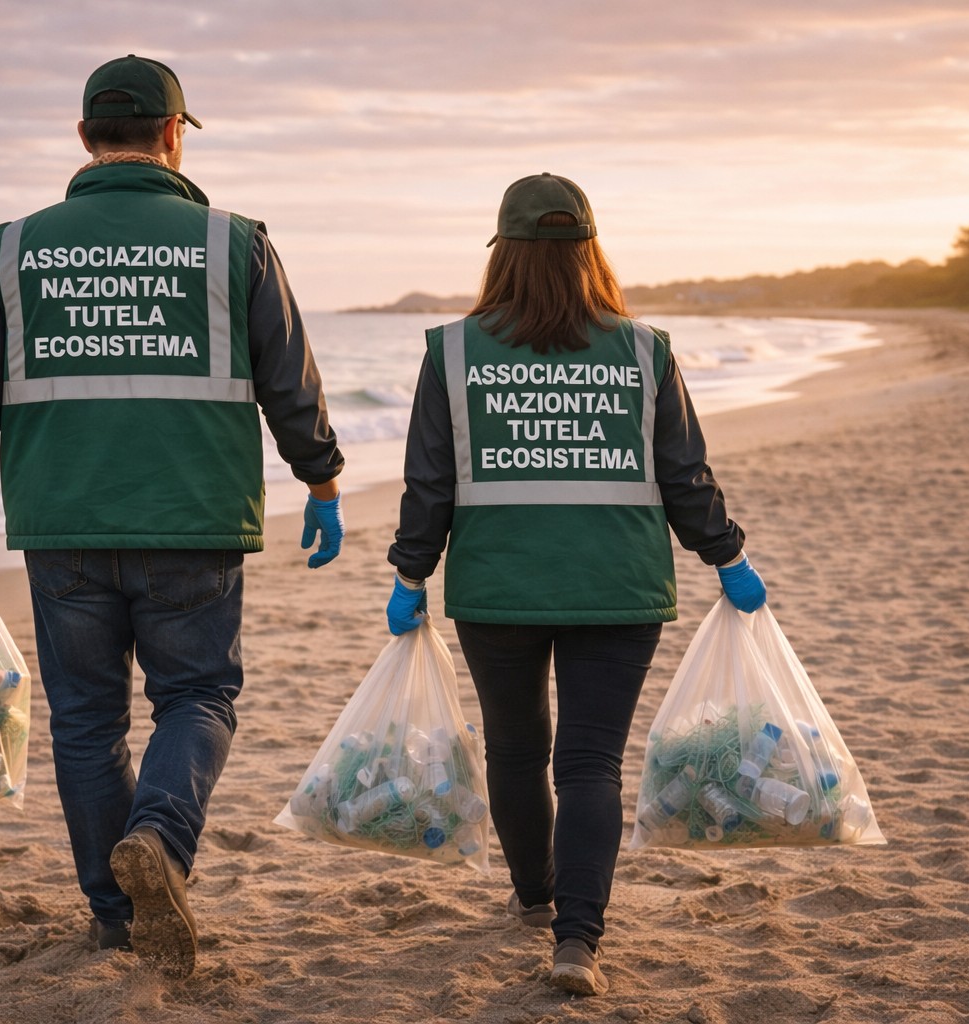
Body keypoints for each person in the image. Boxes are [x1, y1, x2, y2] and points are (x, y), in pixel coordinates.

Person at [0, 54, 345, 978]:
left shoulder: (16, 245)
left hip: (62, 523)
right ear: (173, 135)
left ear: (83, 138)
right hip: (191, 520)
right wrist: (322, 479)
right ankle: (158, 839)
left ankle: (116, 917)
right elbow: (288, 380)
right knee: (197, 697)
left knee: (84, 721)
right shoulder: (234, 240)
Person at [385, 173, 765, 996]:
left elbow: (429, 484)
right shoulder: (643, 348)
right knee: (590, 762)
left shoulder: (451, 350)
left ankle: (533, 897)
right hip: (618, 587)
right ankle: (577, 942)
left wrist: (411, 572)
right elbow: (684, 476)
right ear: (590, 251)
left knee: (518, 750)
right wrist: (726, 557)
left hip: (497, 589)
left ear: (504, 256)